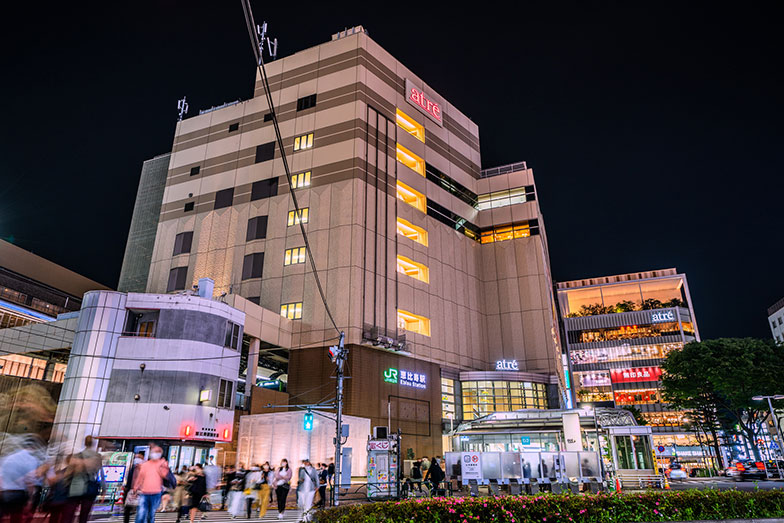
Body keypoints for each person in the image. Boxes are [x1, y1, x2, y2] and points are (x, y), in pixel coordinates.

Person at [0, 435, 43, 523]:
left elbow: (1, 477)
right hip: (18, 493)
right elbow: (29, 481)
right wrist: (31, 499)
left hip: (4, 491)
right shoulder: (31, 459)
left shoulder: (9, 457)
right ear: (34, 447)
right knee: (16, 518)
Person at [63, 436, 103, 523]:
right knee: (84, 515)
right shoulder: (97, 457)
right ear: (93, 443)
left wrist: (65, 484)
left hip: (75, 487)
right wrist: (104, 488)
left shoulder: (76, 456)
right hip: (90, 488)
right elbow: (101, 474)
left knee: (69, 514)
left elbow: (68, 474)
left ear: (84, 443)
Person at [133, 445, 170, 523]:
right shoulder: (145, 465)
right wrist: (136, 487)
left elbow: (164, 475)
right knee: (141, 513)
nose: (155, 454)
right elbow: (140, 477)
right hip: (144, 492)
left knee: (151, 514)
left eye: (158, 452)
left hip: (156, 492)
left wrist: (163, 465)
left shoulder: (162, 464)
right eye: (154, 452)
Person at [123, 453, 145, 523]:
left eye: (138, 458)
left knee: (140, 509)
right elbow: (129, 478)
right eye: (136, 457)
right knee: (127, 508)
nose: (136, 459)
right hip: (131, 490)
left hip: (141, 491)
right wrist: (126, 487)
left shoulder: (144, 470)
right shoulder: (132, 468)